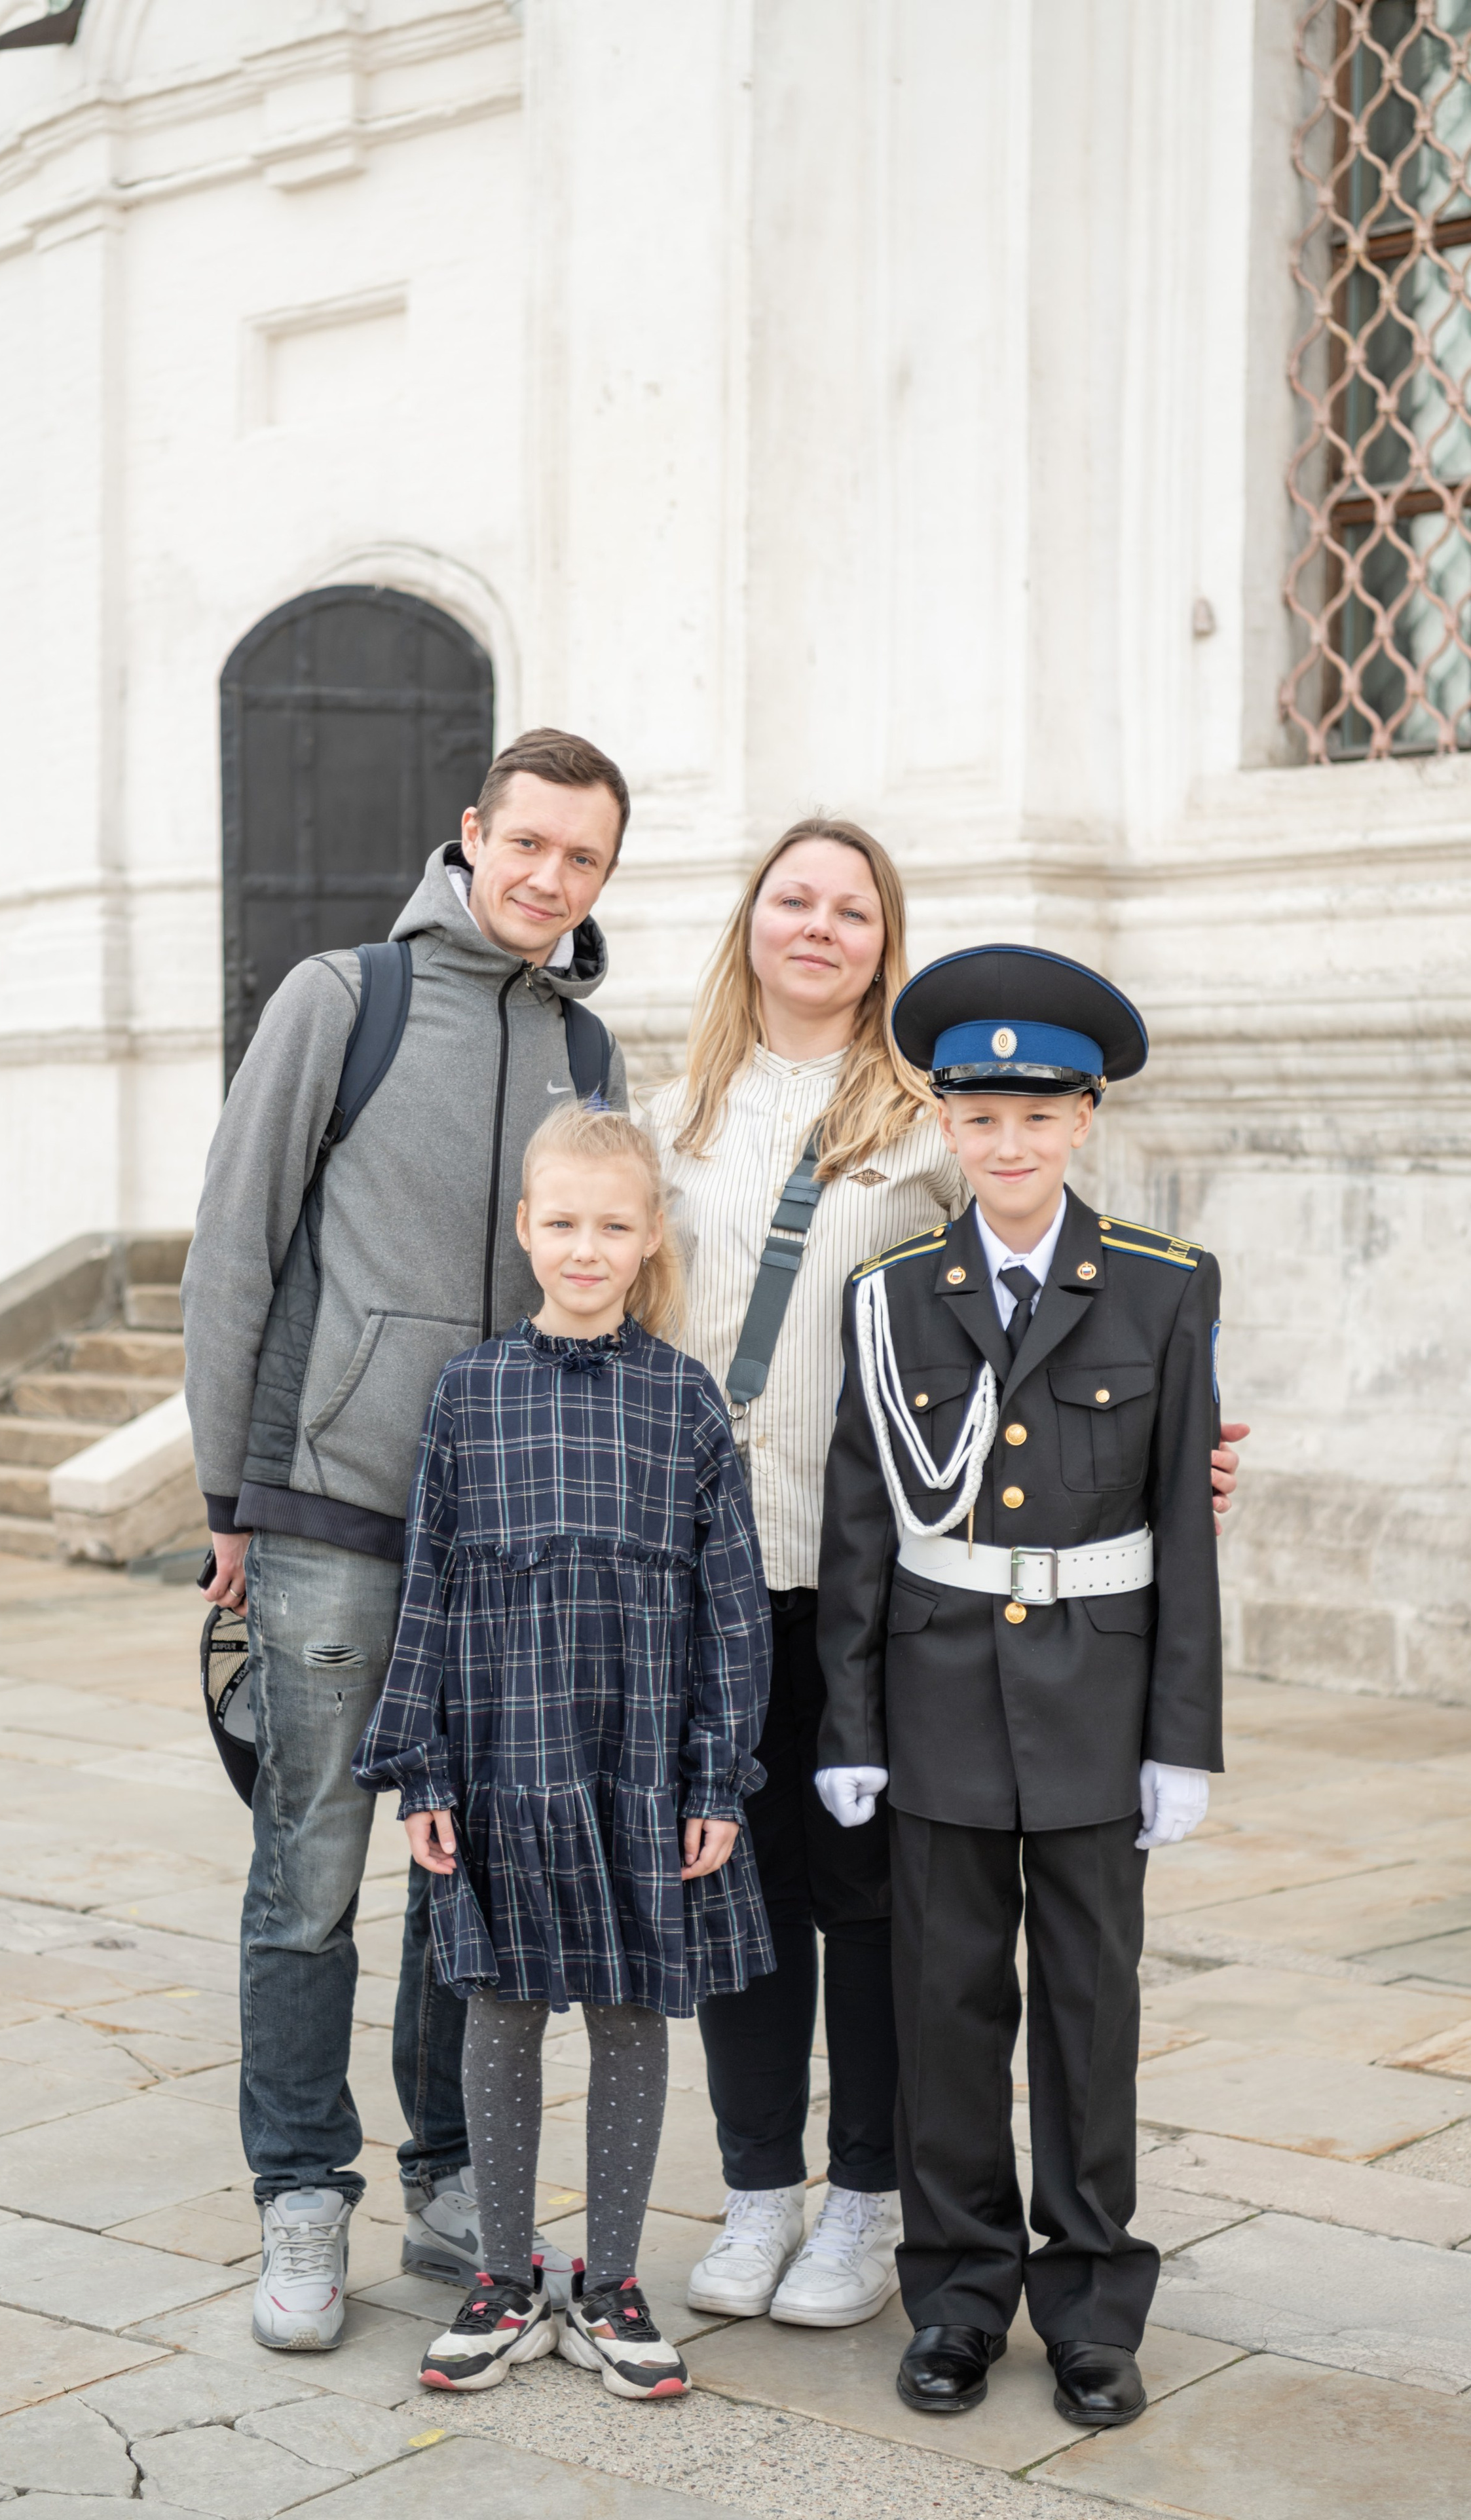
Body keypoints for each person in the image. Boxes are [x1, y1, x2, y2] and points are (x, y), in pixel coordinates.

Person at [644, 823, 1248, 2331]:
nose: (819, 925)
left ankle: (919, 2227)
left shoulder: (945, 1143)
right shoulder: (668, 1118)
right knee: (776, 1913)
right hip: (742, 1584)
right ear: (748, 922)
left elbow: (1096, 1392)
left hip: (972, 1624)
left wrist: (1180, 1518)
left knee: (950, 1950)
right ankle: (831, 2225)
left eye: (852, 907)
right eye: (792, 896)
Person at [181, 729, 631, 2350]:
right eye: (529, 844)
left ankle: (449, 2172)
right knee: (307, 1866)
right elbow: (236, 1242)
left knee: (468, 1872)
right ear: (473, 834)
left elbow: (604, 1285)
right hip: (328, 1515)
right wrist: (226, 1494)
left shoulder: (590, 1051)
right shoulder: (341, 998)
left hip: (509, 1540)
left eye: (581, 859)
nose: (547, 879)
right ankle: (302, 2192)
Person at [814, 944, 1223, 2430]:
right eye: (978, 1115)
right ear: (942, 1123)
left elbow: (1181, 1519)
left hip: (1094, 1706)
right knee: (943, 2008)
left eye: (1036, 1115)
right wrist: (847, 1725)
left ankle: (1093, 2301)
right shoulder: (890, 1294)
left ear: (1084, 1121)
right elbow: (860, 1523)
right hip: (930, 1703)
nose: (1006, 1143)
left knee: (1087, 2017)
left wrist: (1182, 1739)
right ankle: (960, 2291)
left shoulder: (1164, 1288)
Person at [354, 1103, 773, 2399]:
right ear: (525, 1229)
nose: (583, 1247)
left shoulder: (686, 1402)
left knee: (632, 2012)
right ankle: (498, 2275)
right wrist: (420, 1765)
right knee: (501, 2004)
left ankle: (610, 2281)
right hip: (501, 1759)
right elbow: (425, 1585)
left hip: (640, 1758)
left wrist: (716, 1778)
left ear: (649, 1239)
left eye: (611, 1224)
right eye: (561, 1223)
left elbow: (733, 1607)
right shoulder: (471, 1396)